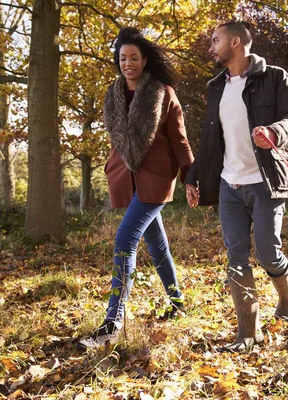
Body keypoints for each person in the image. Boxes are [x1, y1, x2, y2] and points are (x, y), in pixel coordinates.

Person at [184, 21, 288, 353]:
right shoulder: (216, 87)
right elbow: (210, 140)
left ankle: (286, 297)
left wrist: (275, 132)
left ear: (235, 43)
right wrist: (192, 177)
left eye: (216, 40)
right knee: (236, 258)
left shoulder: (274, 77)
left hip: (266, 182)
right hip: (229, 185)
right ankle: (248, 336)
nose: (211, 47)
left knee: (268, 253)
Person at [78, 27, 194, 350]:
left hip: (156, 179)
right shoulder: (112, 94)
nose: (127, 63)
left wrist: (190, 178)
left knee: (125, 239)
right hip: (126, 178)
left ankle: (111, 324)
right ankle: (178, 302)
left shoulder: (162, 92)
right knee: (157, 246)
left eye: (134, 58)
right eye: (122, 58)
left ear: (145, 61)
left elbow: (179, 140)